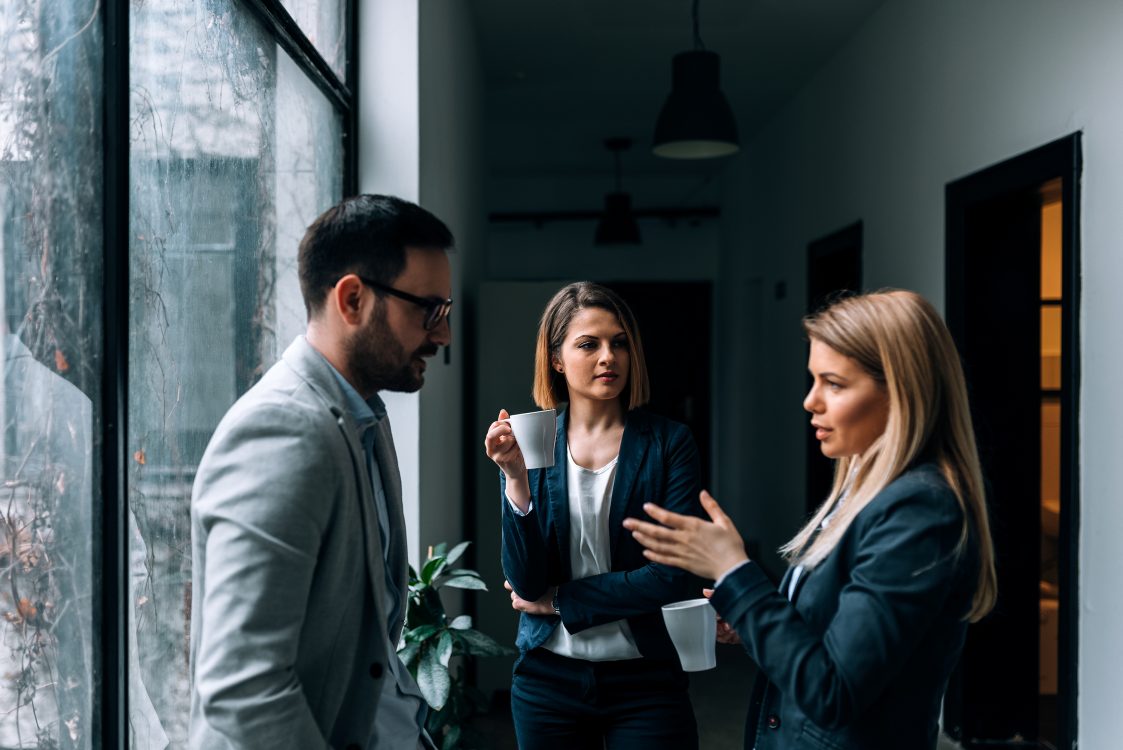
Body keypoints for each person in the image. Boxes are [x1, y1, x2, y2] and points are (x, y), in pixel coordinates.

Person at [624, 290, 998, 750]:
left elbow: (833, 692)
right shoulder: (863, 490)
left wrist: (735, 573)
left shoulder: (919, 511)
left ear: (901, 390)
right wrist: (753, 620)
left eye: (834, 384)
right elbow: (836, 637)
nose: (810, 401)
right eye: (813, 380)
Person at [189, 195, 453, 749]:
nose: (442, 335)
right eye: (428, 311)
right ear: (353, 299)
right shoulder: (282, 431)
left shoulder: (363, 417)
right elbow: (244, 685)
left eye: (445, 313)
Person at [484, 282, 704, 750]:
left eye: (619, 343)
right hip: (548, 679)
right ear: (557, 359)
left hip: (645, 680)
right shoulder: (532, 442)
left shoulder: (669, 444)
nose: (609, 357)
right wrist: (515, 480)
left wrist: (562, 601)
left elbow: (671, 576)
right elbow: (526, 585)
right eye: (589, 344)